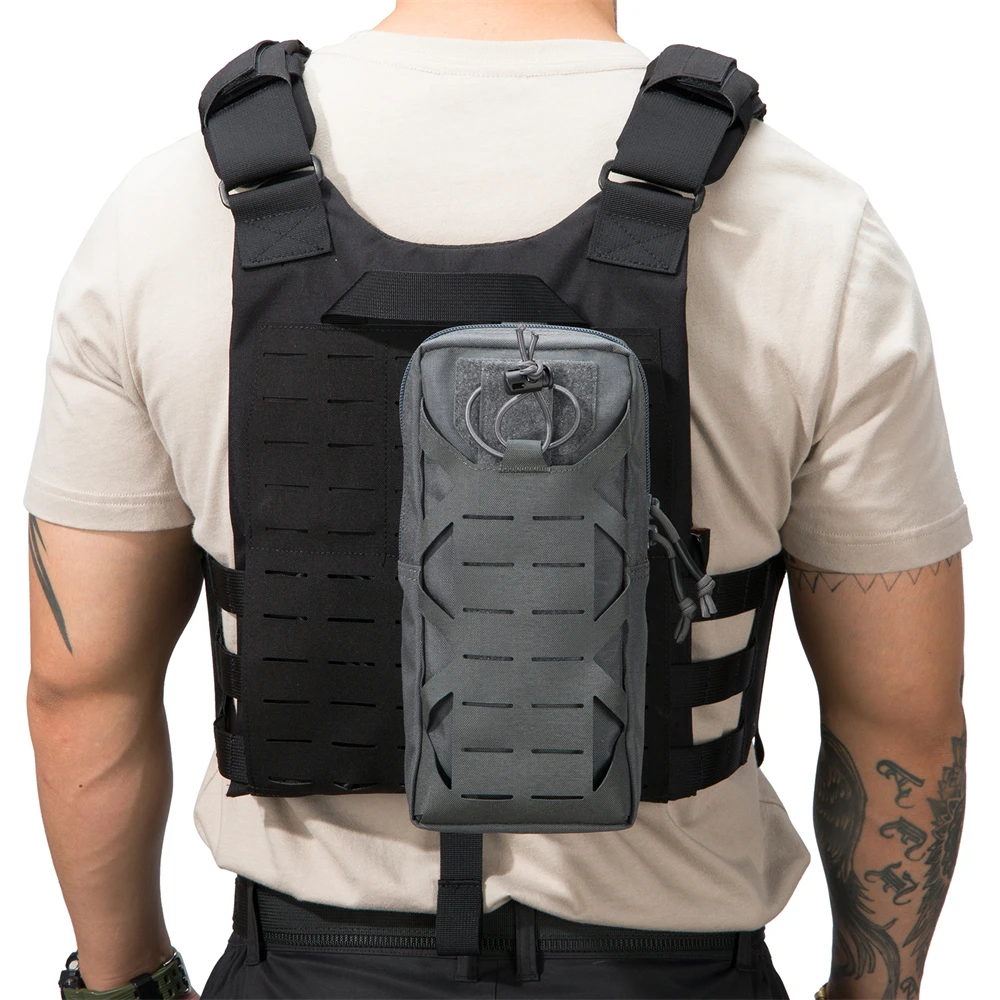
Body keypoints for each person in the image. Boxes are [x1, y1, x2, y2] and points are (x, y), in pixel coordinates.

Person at [25, 1, 970, 998]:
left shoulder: (165, 211)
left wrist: (125, 981)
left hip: (304, 963)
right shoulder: (810, 225)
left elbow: (80, 688)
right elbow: (902, 717)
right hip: (671, 968)